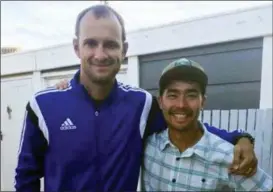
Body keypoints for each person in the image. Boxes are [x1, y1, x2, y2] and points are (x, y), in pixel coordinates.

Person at [15, 4, 257, 192]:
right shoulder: (44, 105)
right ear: (77, 47)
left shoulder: (140, 105)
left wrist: (240, 138)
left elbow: (185, 125)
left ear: (124, 49)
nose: (100, 54)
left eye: (110, 44)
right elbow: (26, 178)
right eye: (91, 43)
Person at [141, 58, 272, 191]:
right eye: (173, 95)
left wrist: (243, 138)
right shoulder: (147, 146)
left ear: (202, 102)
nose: (181, 105)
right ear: (161, 102)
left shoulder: (229, 158)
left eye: (191, 95)